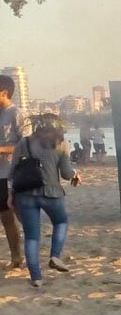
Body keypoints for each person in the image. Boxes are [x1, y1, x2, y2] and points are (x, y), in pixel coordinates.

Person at [9, 115, 80, 287]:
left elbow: (13, 171)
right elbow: (65, 173)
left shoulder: (24, 143)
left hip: (25, 195)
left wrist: (11, 195)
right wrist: (75, 174)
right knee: (61, 222)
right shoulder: (60, 143)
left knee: (32, 237)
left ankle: (36, 278)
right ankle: (55, 255)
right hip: (52, 193)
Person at [0, 75, 30, 269]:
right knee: (4, 217)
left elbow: (27, 143)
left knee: (16, 216)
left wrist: (3, 149)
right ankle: (16, 257)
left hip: (10, 173)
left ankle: (22, 255)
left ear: (4, 92)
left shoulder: (17, 113)